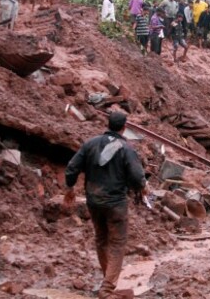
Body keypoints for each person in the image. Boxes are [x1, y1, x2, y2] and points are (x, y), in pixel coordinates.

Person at [64, 111, 147, 299]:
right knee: (117, 243)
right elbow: (136, 176)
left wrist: (69, 188)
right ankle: (107, 288)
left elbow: (72, 167)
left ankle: (107, 279)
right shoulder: (127, 149)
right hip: (116, 203)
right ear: (124, 128)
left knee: (101, 238)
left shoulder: (90, 144)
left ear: (107, 124)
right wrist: (141, 188)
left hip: (93, 200)